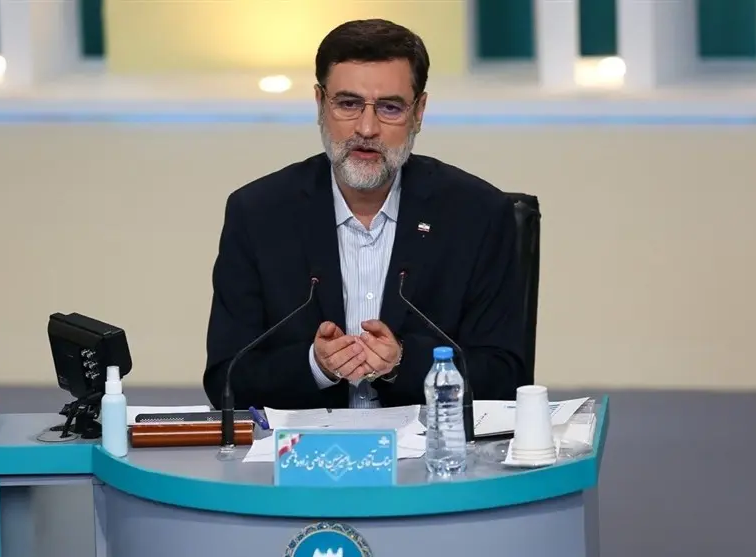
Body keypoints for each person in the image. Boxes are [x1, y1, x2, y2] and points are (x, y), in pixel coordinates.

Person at [203, 18, 526, 411]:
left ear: (419, 112)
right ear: (320, 104)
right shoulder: (258, 214)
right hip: (304, 447)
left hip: (431, 444)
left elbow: (504, 378)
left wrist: (403, 362)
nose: (367, 128)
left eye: (390, 107)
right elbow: (226, 379)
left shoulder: (477, 215)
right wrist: (315, 366)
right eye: (348, 104)